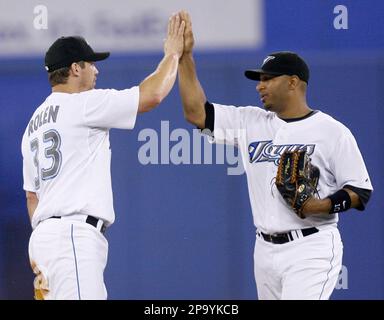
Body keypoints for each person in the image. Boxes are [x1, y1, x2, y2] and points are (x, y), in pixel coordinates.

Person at [177, 11, 373, 300]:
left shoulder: (331, 131)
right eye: (259, 79)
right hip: (264, 250)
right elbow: (196, 112)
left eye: (268, 79)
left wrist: (319, 206)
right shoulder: (250, 122)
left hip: (311, 249)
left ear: (293, 82)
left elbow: (360, 191)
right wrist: (185, 57)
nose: (259, 86)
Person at [21, 14, 185, 300]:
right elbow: (153, 95)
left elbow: (32, 198)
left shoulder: (32, 124)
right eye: (91, 63)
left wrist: (48, 232)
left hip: (44, 241)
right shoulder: (82, 104)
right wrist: (172, 54)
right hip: (72, 235)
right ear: (75, 68)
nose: (96, 71)